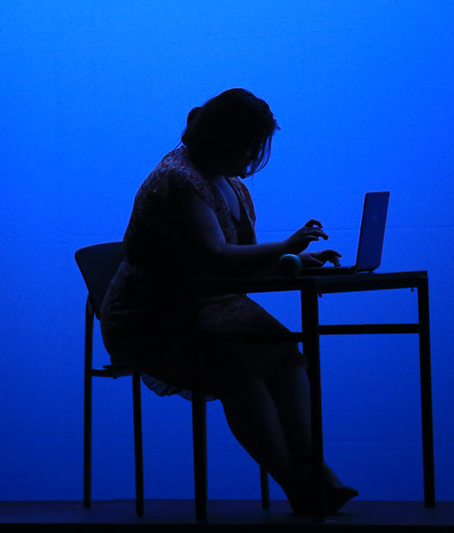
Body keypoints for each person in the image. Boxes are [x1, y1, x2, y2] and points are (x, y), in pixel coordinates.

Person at [99, 88, 358, 514]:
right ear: (225, 137)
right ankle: (297, 483)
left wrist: (294, 261)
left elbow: (240, 265)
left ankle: (312, 468)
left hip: (211, 305)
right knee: (240, 370)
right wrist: (284, 247)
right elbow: (215, 257)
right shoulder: (177, 180)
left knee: (285, 356)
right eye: (250, 143)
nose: (255, 154)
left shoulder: (231, 185)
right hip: (156, 315)